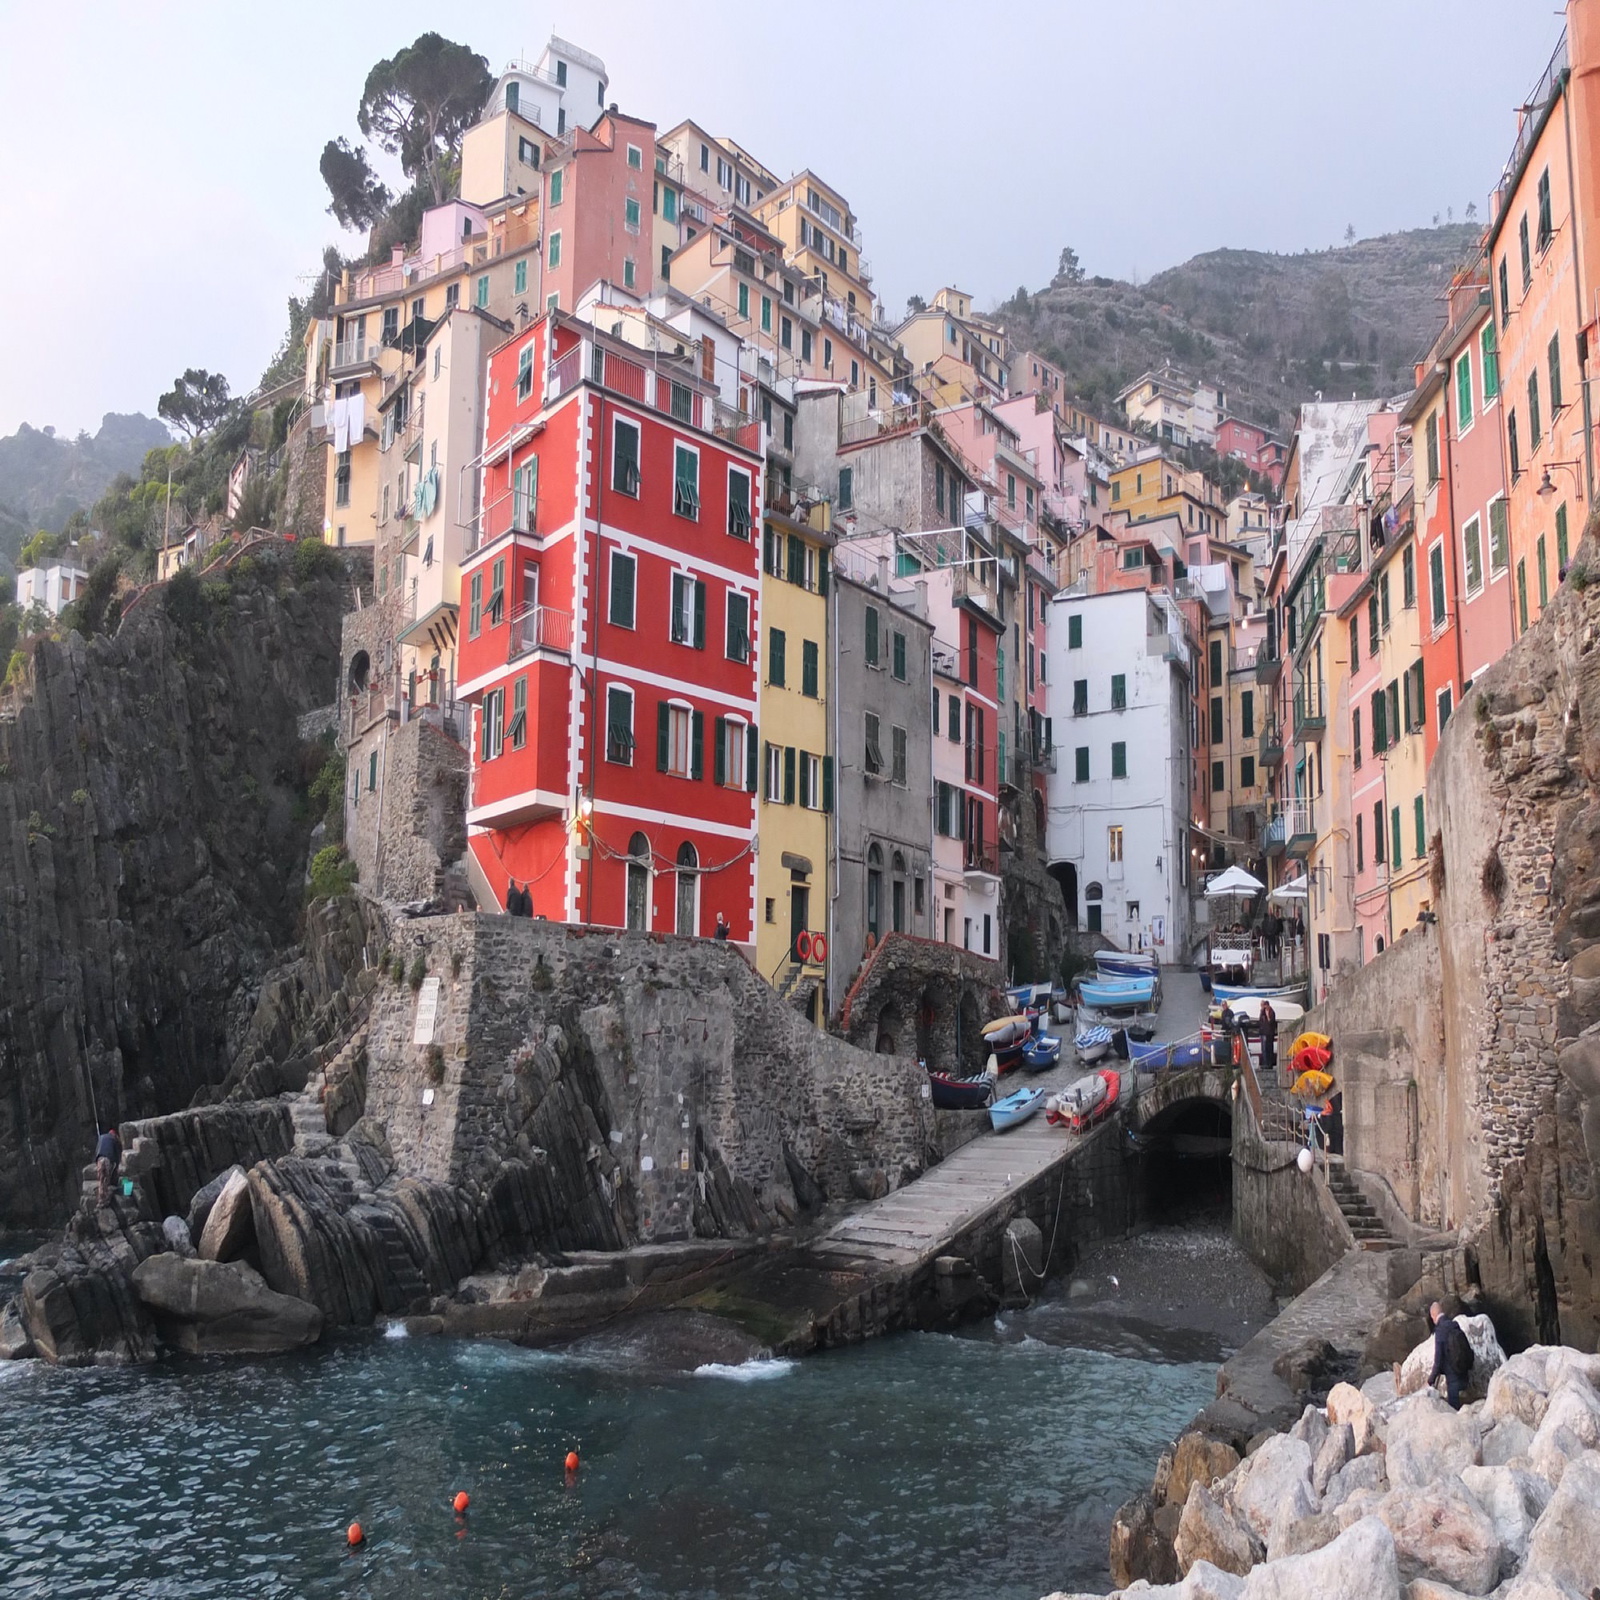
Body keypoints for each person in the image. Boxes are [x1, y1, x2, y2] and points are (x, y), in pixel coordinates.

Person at [1427, 1301, 1473, 1410]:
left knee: (1454, 1411)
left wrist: (1430, 1380)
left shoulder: (1440, 1331)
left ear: (1433, 1315)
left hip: (1453, 1379)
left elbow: (1438, 1360)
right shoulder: (1454, 1325)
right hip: (1463, 1372)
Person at [95, 1126, 122, 1207]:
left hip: (99, 1158)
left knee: (101, 1178)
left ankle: (100, 1199)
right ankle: (104, 1200)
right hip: (107, 1159)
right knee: (106, 1179)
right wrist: (117, 1166)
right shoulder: (114, 1139)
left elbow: (97, 1150)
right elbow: (117, 1155)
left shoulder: (102, 1137)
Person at [1259, 1000, 1278, 1078]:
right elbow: (1260, 1021)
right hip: (1264, 1033)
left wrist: (1267, 1015)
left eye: (1266, 1006)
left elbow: (1271, 1022)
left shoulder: (1272, 1012)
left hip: (1270, 1033)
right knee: (1265, 1049)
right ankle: (1265, 1063)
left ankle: (1269, 1064)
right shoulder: (1262, 1012)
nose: (1265, 1008)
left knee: (1270, 1048)